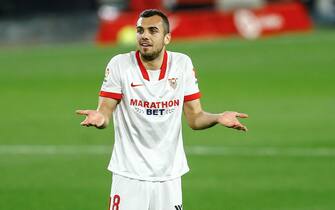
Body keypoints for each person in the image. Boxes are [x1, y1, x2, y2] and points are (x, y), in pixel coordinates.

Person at [76, 9, 248, 210]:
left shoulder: (182, 64)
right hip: (129, 176)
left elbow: (195, 118)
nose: (144, 36)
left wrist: (218, 117)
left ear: (167, 38)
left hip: (169, 176)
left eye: (152, 31)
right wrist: (99, 118)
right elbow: (105, 111)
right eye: (140, 30)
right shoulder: (120, 65)